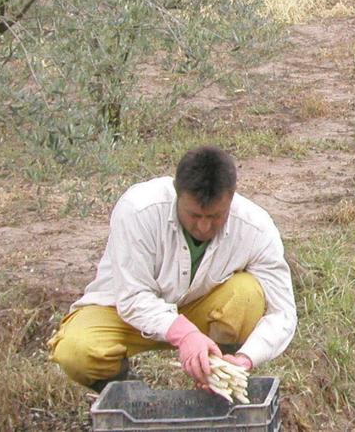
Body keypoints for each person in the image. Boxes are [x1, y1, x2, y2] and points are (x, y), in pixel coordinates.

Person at [48, 146, 296, 392]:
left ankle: (214, 374)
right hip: (123, 312)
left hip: (200, 308)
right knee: (75, 351)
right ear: (178, 192)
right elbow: (133, 296)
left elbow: (282, 313)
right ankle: (127, 395)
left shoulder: (256, 228)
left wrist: (244, 360)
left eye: (215, 216)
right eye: (194, 214)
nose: (203, 226)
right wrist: (185, 334)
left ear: (231, 198)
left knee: (247, 293)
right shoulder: (138, 210)